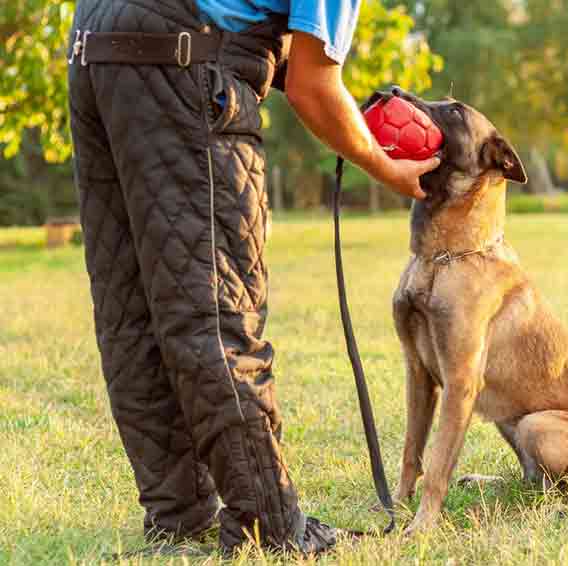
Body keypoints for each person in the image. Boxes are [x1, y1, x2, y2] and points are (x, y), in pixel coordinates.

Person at [67, 0, 440, 556]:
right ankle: (271, 524)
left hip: (95, 43)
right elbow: (316, 87)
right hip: (183, 56)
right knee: (216, 312)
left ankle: (178, 517)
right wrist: (380, 163)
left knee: (133, 306)